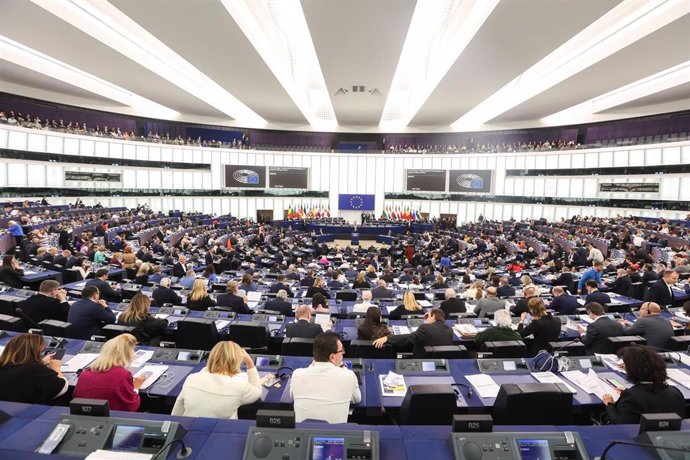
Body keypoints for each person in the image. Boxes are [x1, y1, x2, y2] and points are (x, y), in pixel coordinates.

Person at [171, 341, 261, 419]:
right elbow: (257, 391)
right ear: (237, 360)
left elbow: (177, 411)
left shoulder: (191, 378)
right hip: (222, 432)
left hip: (189, 430)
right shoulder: (240, 386)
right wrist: (250, 362)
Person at [290, 331, 361, 423]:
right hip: (336, 435)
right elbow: (357, 399)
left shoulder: (297, 375)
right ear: (332, 357)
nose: (342, 354)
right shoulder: (349, 376)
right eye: (341, 351)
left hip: (302, 432)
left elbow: (292, 396)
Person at [602, 346, 685, 424]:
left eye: (625, 365)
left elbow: (620, 426)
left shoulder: (631, 397)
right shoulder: (675, 392)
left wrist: (610, 405)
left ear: (633, 369)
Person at [73, 334, 144, 411]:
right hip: (111, 418)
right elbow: (131, 406)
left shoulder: (85, 373)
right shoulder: (123, 374)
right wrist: (136, 388)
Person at [0, 333, 68, 404]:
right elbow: (62, 388)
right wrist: (56, 368)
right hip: (23, 411)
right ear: (35, 351)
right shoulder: (36, 370)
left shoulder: (3, 365)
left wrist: (42, 363)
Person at [374, 308, 453, 358]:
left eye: (428, 316)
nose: (426, 319)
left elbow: (408, 338)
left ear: (433, 317)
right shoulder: (450, 330)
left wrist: (387, 338)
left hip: (422, 361)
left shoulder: (425, 328)